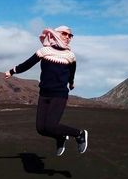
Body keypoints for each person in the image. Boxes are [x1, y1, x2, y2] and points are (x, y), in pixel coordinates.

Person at [5, 25, 88, 156]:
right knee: (41, 129)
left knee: (51, 125)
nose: (67, 37)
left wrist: (71, 83)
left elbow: (72, 73)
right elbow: (28, 63)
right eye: (64, 34)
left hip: (59, 95)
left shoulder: (70, 56)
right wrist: (12, 71)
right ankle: (60, 138)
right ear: (55, 34)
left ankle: (79, 134)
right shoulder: (44, 51)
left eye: (70, 35)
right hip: (44, 94)